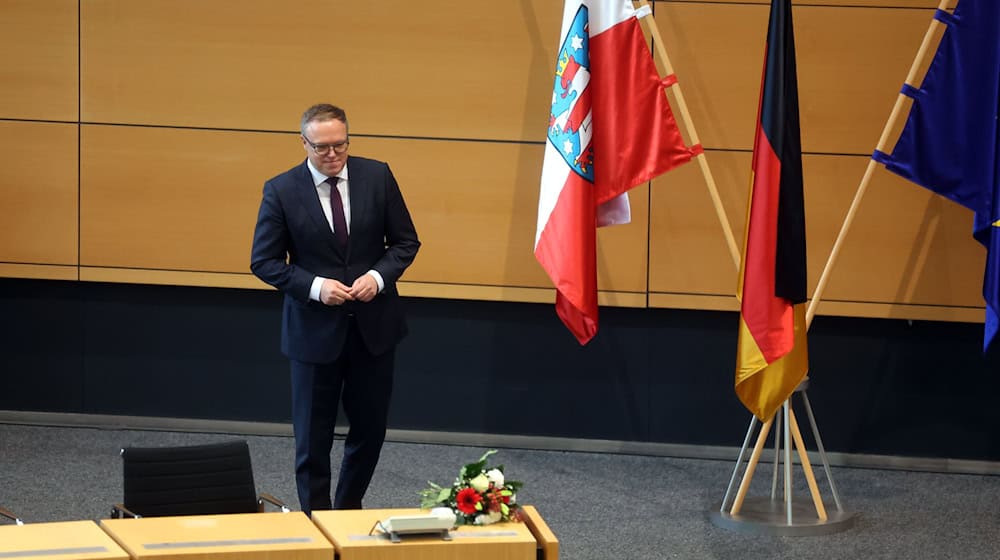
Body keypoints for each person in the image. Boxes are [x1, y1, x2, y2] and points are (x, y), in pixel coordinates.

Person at [250, 103, 420, 513]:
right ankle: (315, 520)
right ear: (303, 143)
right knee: (313, 438)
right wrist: (315, 286)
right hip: (313, 333)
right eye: (322, 147)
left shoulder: (377, 176)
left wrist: (377, 278)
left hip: (373, 330)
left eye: (339, 145)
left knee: (369, 430)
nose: (332, 154)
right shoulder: (281, 190)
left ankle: (346, 511)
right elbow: (264, 261)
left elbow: (404, 243)